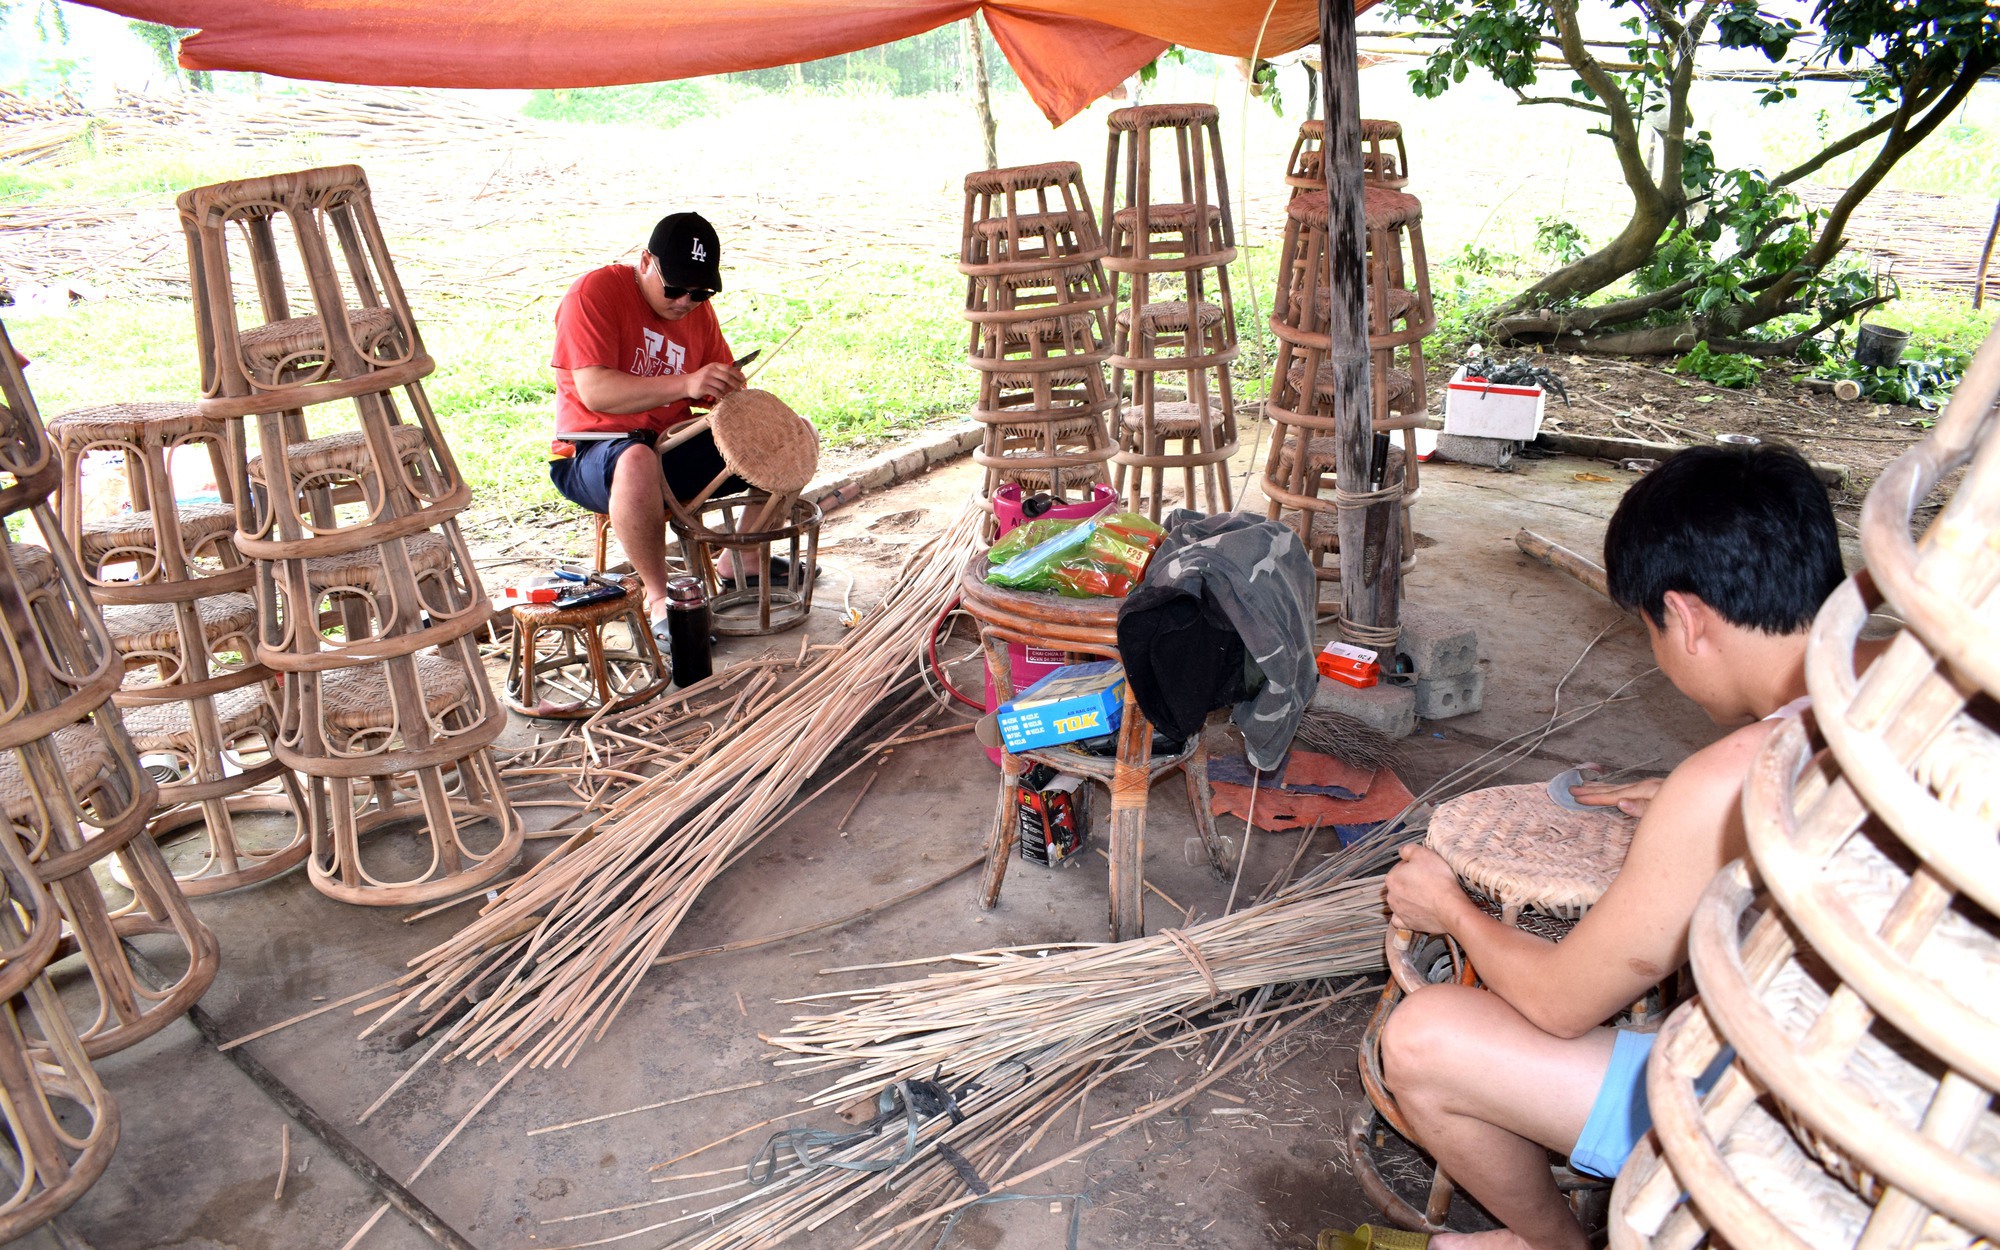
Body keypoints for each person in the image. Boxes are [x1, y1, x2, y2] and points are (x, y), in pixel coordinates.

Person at [1376, 444, 1864, 1250]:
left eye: (1650, 633)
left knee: (1423, 1040)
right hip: (1927, 1112)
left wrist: (1452, 911)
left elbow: (1561, 1004)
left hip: (1787, 1135)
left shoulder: (1726, 786)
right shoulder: (1912, 677)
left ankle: (1560, 1245)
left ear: (1688, 618)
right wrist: (1687, 792)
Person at [547, 211, 753, 640]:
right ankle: (660, 597)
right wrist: (686, 382)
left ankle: (742, 557)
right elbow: (595, 392)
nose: (685, 302)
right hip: (593, 452)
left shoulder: (697, 311)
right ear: (645, 262)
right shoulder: (595, 292)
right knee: (637, 457)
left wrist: (724, 386)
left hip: (668, 446)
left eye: (700, 293)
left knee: (786, 434)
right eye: (675, 287)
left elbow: (710, 391)